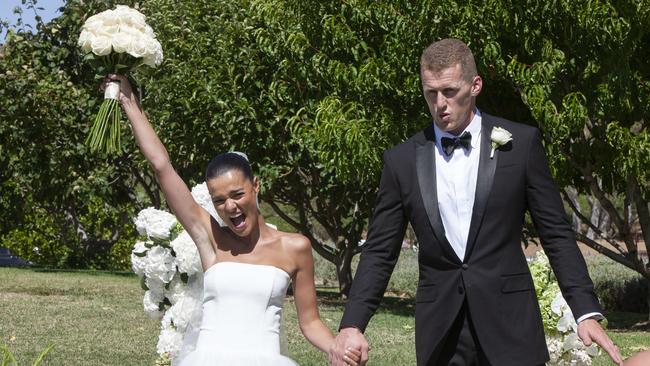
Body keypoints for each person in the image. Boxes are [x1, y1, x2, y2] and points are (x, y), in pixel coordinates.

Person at [328, 39, 623, 366]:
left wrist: (585, 311)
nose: (440, 103)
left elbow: (555, 233)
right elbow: (380, 249)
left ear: (475, 85)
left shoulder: (521, 144)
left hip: (511, 328)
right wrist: (352, 325)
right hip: (442, 334)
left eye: (450, 91)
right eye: (430, 93)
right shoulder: (402, 162)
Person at [103, 74, 361, 366]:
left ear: (256, 186)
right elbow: (162, 167)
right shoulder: (210, 238)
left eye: (237, 194)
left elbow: (310, 322)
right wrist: (128, 102)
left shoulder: (295, 247)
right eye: (219, 200)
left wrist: (337, 350)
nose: (230, 206)